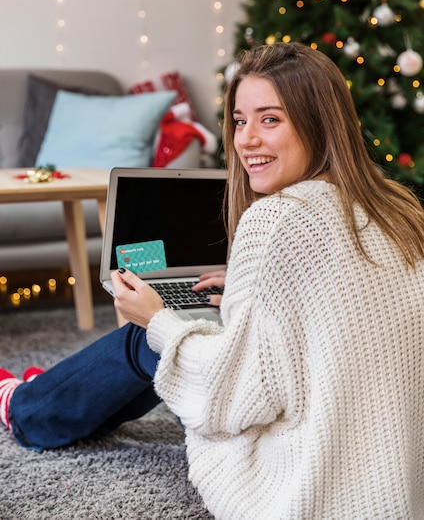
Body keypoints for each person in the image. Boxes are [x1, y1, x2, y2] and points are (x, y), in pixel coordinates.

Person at [1, 42, 424, 519]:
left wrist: (159, 319)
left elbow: (241, 394)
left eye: (270, 119)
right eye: (240, 121)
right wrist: (252, 285)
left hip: (314, 478)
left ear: (319, 122)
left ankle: (28, 409)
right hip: (396, 466)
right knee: (194, 322)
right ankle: (58, 391)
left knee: (149, 341)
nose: (246, 140)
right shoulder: (396, 207)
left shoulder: (278, 219)